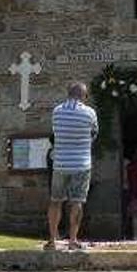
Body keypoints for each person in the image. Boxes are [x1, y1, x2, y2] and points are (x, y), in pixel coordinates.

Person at [46, 82, 98, 251]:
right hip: (81, 163)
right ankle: (72, 240)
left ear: (68, 94)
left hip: (60, 162)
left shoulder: (57, 111)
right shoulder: (90, 113)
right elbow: (94, 133)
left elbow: (55, 132)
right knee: (77, 202)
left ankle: (53, 241)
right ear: (84, 96)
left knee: (55, 201)